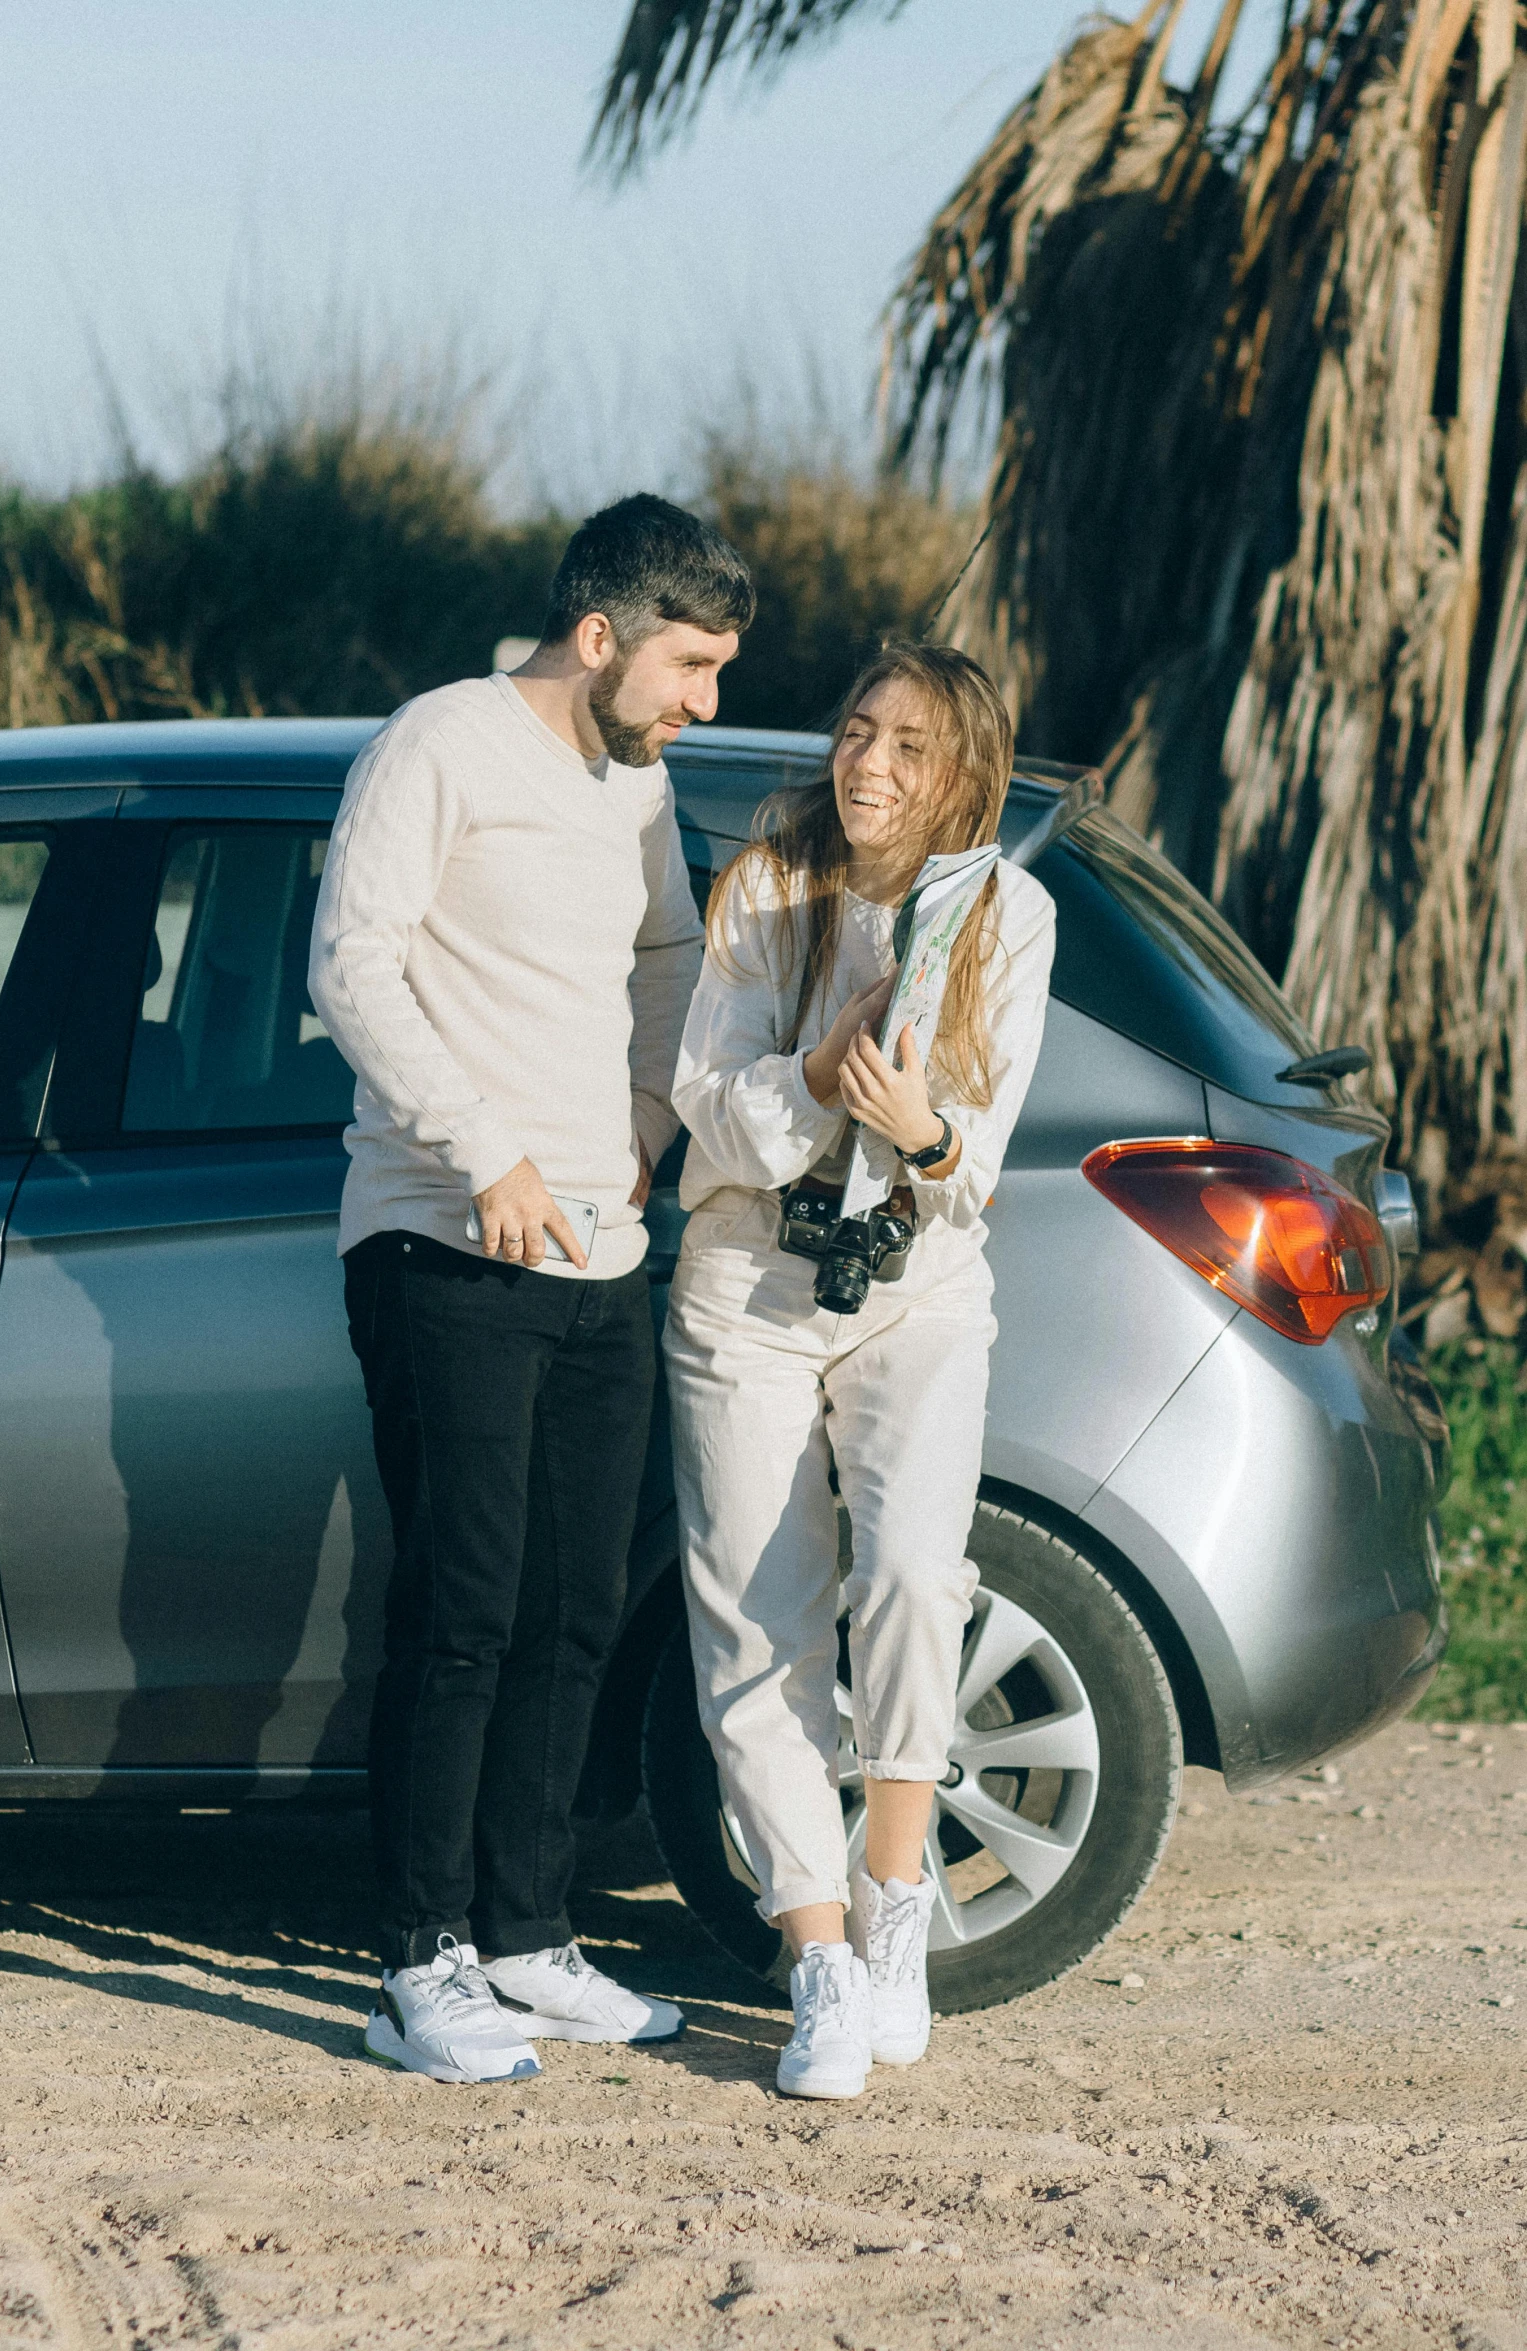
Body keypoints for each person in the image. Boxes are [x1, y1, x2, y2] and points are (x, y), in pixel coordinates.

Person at [309, 493, 754, 2084]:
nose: (702, 700)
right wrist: (485, 1151)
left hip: (599, 1250)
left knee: (574, 1609)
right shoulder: (436, 744)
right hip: (444, 1234)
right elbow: (351, 960)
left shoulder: (639, 785)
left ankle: (525, 1933)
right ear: (598, 636)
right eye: (690, 665)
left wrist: (641, 1128)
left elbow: (664, 960)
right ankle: (420, 1962)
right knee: (464, 1611)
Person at [663, 641, 1055, 2100]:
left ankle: (895, 1896)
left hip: (918, 1285)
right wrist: (817, 1077)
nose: (869, 765)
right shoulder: (769, 886)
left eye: (909, 746)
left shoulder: (1010, 911)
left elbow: (979, 1155)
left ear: (965, 772)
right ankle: (817, 1957)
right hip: (747, 1277)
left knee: (908, 1574)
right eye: (857, 731)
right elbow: (707, 1111)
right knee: (752, 1621)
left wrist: (928, 1133)